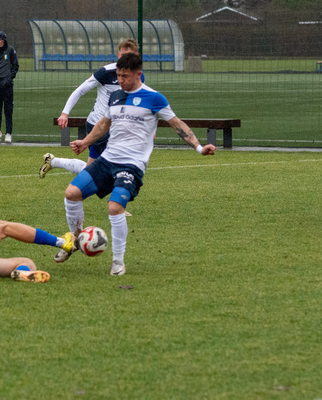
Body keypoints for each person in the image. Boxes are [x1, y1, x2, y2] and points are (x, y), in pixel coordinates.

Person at [55, 53, 216, 276]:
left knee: (114, 207)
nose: (121, 80)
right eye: (119, 76)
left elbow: (177, 124)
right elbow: (103, 125)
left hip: (131, 165)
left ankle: (118, 261)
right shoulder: (116, 96)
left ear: (138, 74)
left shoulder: (154, 98)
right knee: (71, 193)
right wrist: (85, 142)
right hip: (107, 159)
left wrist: (199, 147)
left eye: (125, 76)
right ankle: (75, 238)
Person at [40, 39, 141, 179]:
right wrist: (64, 113)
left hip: (116, 126)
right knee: (107, 171)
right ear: (118, 55)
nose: (126, 60)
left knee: (93, 171)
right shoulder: (106, 72)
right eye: (124, 56)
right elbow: (80, 91)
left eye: (130, 56)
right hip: (98, 126)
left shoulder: (138, 76)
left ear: (137, 56)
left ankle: (53, 161)